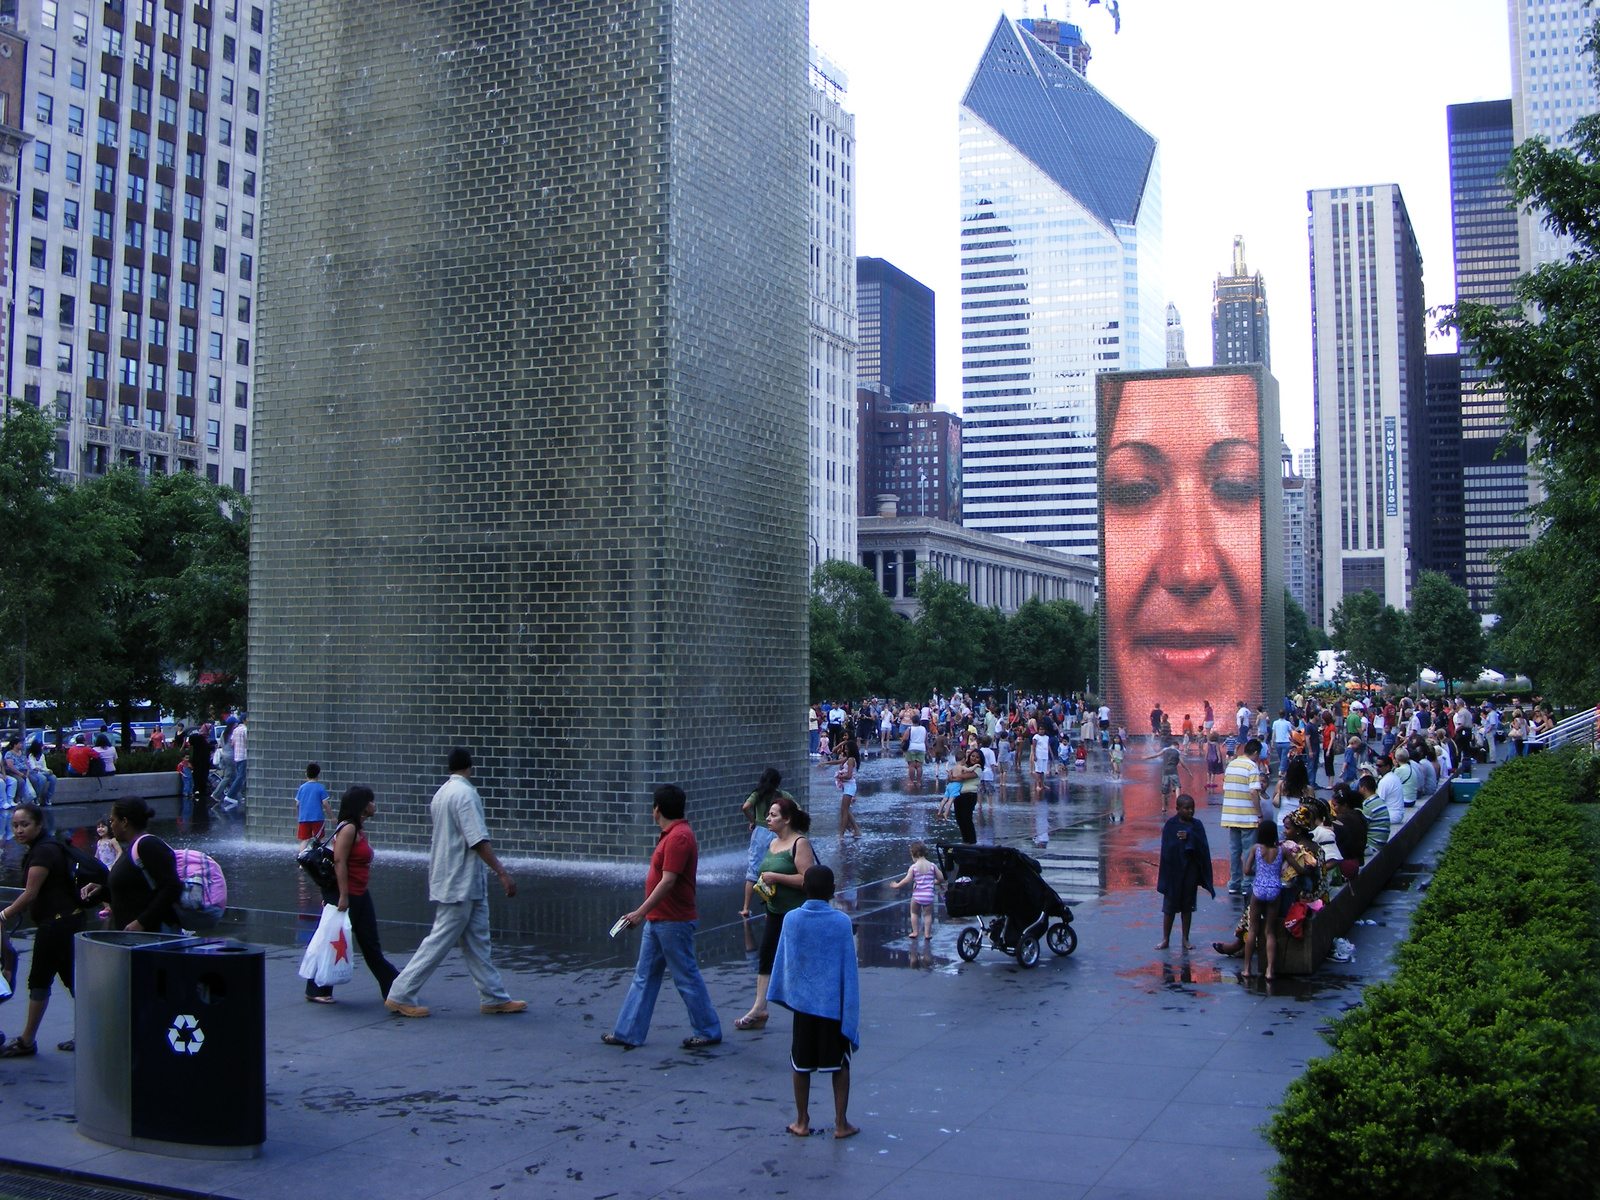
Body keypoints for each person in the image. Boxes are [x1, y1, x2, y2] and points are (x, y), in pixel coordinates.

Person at [383, 749, 526, 1019]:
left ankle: (494, 997)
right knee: (439, 939)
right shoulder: (466, 794)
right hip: (460, 881)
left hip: (458, 880)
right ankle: (401, 993)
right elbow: (477, 839)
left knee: (478, 943)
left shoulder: (441, 793)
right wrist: (502, 872)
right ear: (470, 767)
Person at [603, 785, 722, 1050]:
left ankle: (708, 1030)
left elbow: (668, 881)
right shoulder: (672, 834)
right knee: (644, 976)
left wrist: (639, 912)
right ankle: (627, 1032)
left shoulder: (679, 837)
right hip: (660, 919)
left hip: (673, 920)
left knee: (685, 976)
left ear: (657, 809)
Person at [767, 865, 859, 1140]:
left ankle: (801, 1121)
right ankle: (841, 1124)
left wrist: (789, 992)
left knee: (800, 1063)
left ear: (804, 888)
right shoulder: (841, 922)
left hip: (804, 1005)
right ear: (832, 891)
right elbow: (848, 968)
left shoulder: (792, 919)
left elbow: (786, 961)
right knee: (840, 1064)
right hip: (831, 1006)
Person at [0, 805, 87, 1056]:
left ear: (39, 825)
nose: (18, 830)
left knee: (39, 979)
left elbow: (30, 894)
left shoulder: (43, 852)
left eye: (24, 824)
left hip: (56, 925)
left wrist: (3, 915)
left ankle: (27, 1041)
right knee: (71, 980)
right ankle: (88, 1033)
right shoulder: (45, 848)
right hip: (67, 922)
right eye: (15, 825)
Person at [305, 786, 402, 1004]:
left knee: (369, 944)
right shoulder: (348, 829)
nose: (374, 805)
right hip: (348, 896)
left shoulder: (355, 829)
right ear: (362, 805)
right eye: (371, 801)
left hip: (358, 893)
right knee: (338, 942)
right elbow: (339, 861)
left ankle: (394, 986)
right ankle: (395, 987)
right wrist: (343, 896)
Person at [735, 796, 815, 1031]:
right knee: (766, 958)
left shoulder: (800, 843)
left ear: (787, 819)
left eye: (774, 815)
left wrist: (776, 878)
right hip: (774, 911)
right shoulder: (772, 843)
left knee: (798, 961)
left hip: (796, 914)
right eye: (769, 814)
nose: (768, 818)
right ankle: (759, 1008)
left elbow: (807, 880)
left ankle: (811, 1009)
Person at [82, 798, 181, 933]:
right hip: (135, 939)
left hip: (154, 938)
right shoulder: (131, 848)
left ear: (124, 822)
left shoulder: (147, 845)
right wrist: (101, 891)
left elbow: (172, 887)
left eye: (113, 820)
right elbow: (133, 893)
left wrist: (142, 922)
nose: (111, 825)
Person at [1155, 794, 1214, 952]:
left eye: (1192, 808)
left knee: (1187, 906)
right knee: (1169, 907)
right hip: (1173, 872)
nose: (1190, 811)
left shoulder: (1197, 826)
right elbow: (1167, 848)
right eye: (1186, 808)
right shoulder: (1171, 825)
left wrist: (1190, 837)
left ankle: (1185, 938)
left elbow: (1203, 846)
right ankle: (1165, 938)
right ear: (1178, 809)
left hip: (1190, 872)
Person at [740, 768, 792, 918]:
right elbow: (798, 809)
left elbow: (745, 807)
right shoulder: (782, 795)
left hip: (761, 832)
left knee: (754, 869)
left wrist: (753, 820)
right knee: (774, 868)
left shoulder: (758, 794)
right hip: (778, 832)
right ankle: (771, 907)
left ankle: (745, 908)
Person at [1241, 819, 1289, 981]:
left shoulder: (1256, 849)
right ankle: (1270, 970)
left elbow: (1246, 870)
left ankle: (1247, 969)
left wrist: (1259, 874)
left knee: (1253, 929)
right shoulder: (1282, 851)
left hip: (1258, 889)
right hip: (1275, 889)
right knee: (1270, 931)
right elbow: (1296, 868)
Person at [1220, 739, 1264, 895]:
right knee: (1249, 851)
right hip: (1247, 816)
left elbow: (1225, 788)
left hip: (1231, 815)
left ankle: (1234, 882)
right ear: (1256, 753)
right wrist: (1259, 814)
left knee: (1234, 851)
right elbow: (1253, 792)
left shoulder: (1231, 764)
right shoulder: (1252, 767)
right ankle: (1248, 884)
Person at [889, 842, 944, 941]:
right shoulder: (932, 866)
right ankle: (927, 933)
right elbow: (941, 877)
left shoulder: (913, 867)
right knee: (927, 915)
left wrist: (897, 885)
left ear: (914, 854)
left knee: (914, 913)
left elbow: (906, 880)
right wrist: (936, 882)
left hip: (917, 894)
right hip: (929, 895)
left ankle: (915, 931)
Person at [1329, 788, 1368, 881]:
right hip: (1358, 860)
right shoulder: (1358, 815)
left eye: (1335, 806)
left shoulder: (1341, 820)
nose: (1333, 808)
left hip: (1347, 864)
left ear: (1344, 806)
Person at [296, 763, 330, 851]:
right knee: (320, 839)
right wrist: (332, 817)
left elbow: (297, 804)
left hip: (304, 818)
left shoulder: (302, 788)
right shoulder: (320, 788)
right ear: (318, 775)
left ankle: (301, 862)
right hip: (317, 818)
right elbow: (325, 803)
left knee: (304, 840)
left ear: (306, 774)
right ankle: (320, 859)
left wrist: (299, 816)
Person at [1355, 775, 1390, 858]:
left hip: (1372, 845)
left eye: (1359, 788)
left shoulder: (1368, 806)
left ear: (1363, 788)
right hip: (1379, 842)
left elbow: (1358, 827)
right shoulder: (1378, 801)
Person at [834, 740, 861, 838]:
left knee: (844, 811)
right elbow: (838, 761)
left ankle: (841, 835)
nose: (845, 750)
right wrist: (826, 763)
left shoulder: (851, 760)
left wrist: (839, 776)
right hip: (847, 786)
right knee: (845, 810)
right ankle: (856, 830)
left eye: (847, 749)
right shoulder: (848, 758)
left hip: (849, 786)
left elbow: (849, 775)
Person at [903, 720, 927, 790]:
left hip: (911, 748)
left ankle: (911, 782)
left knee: (911, 766)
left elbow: (905, 738)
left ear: (912, 721)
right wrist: (927, 749)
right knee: (919, 766)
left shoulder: (910, 729)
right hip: (921, 747)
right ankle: (918, 782)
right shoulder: (923, 729)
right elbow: (926, 739)